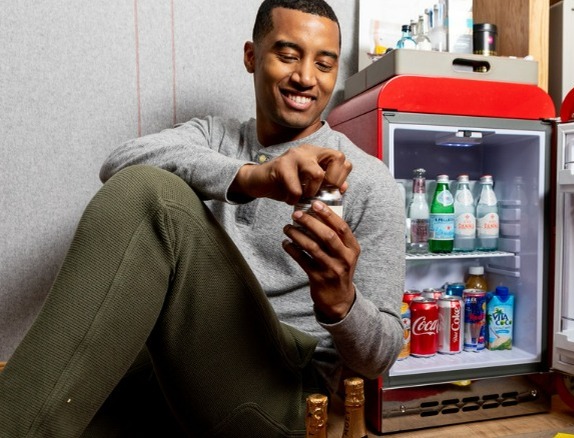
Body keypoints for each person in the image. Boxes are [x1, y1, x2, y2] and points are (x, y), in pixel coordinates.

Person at [0, 0, 405, 436]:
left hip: (287, 395)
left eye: (323, 65)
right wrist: (252, 177)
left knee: (150, 195)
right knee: (68, 393)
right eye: (288, 55)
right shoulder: (215, 137)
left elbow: (380, 355)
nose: (305, 77)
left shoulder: (369, 181)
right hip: (187, 372)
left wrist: (342, 303)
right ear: (252, 56)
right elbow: (120, 162)